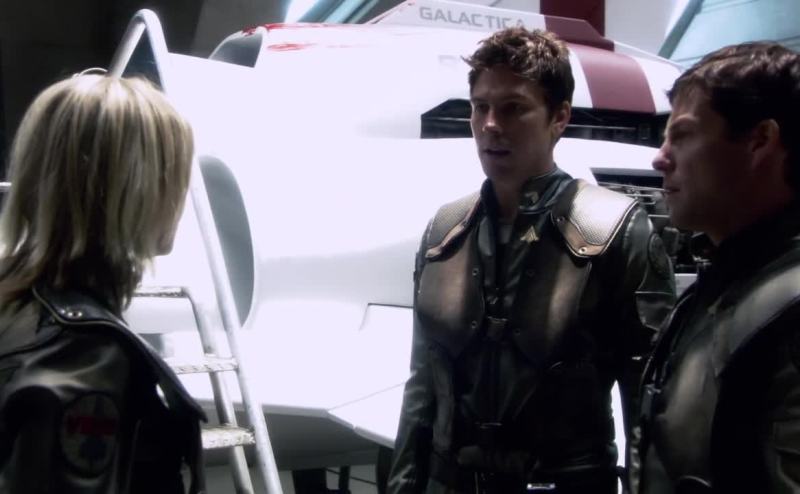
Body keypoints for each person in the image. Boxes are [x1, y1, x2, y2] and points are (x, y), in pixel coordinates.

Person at [387, 27, 676, 494]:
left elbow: (648, 402)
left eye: (513, 108)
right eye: (480, 107)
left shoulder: (615, 229)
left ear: (559, 116)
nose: (490, 125)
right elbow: (422, 386)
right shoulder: (445, 232)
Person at [0, 74, 205, 493]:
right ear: (136, 187)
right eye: (175, 174)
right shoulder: (83, 351)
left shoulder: (16, 302)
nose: (183, 195)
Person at [631, 42, 800, 493]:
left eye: (683, 135)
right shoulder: (729, 281)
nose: (660, 157)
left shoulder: (787, 304)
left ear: (760, 140)